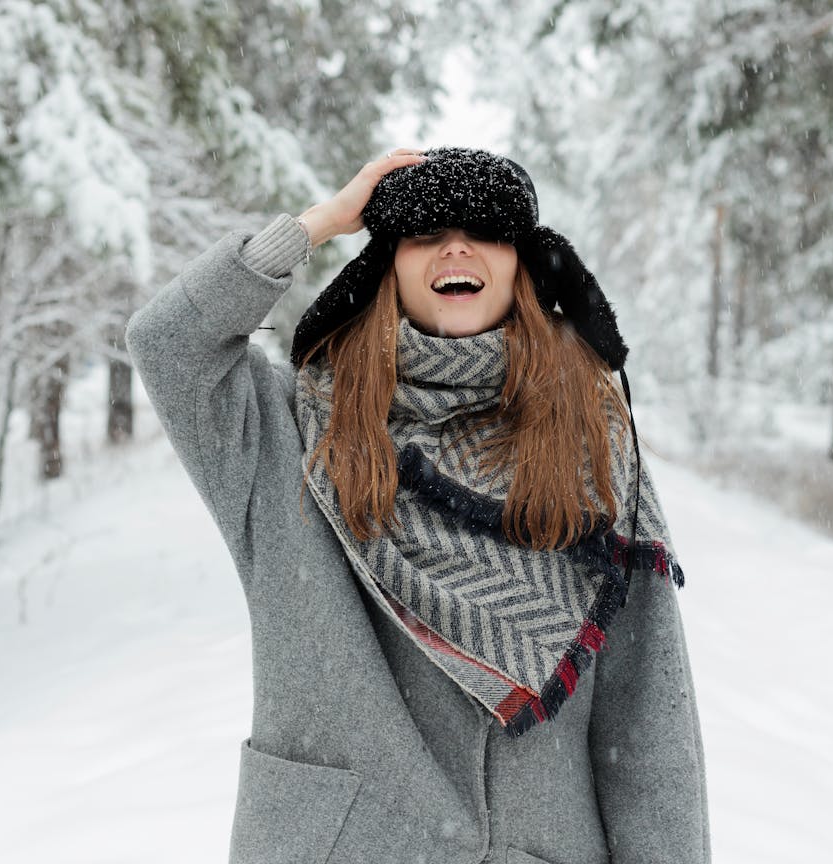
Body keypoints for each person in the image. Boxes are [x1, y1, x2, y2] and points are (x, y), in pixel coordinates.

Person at [124, 146, 711, 864]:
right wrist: (320, 223)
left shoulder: (593, 443)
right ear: (388, 266)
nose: (455, 248)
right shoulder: (295, 432)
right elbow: (169, 345)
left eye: (485, 231)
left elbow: (649, 726)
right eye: (425, 233)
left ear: (523, 265)